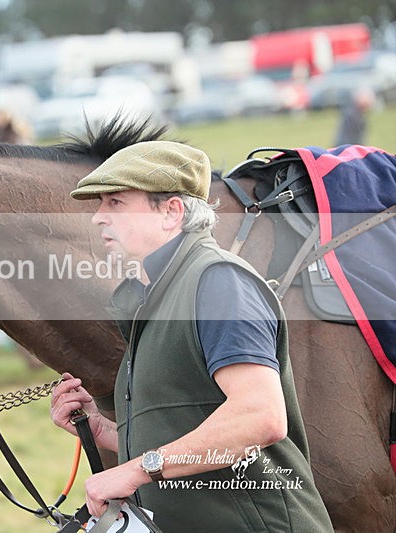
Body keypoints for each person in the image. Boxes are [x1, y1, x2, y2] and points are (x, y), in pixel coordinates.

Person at [50, 141, 333, 531]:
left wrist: (138, 468)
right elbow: (185, 426)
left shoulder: (217, 281)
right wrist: (105, 432)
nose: (98, 217)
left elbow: (260, 416)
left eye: (115, 202)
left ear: (171, 211)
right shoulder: (158, 295)